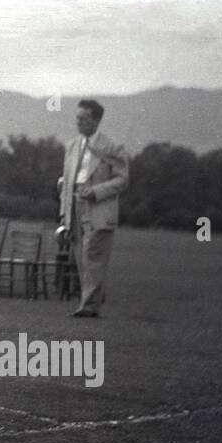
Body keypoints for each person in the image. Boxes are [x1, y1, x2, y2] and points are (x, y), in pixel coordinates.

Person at [59, 99, 130, 317]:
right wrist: (64, 213)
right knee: (82, 257)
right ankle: (94, 297)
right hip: (75, 208)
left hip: (98, 208)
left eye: (83, 118)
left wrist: (97, 191)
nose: (78, 122)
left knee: (93, 255)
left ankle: (89, 306)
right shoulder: (71, 146)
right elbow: (67, 181)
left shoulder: (112, 147)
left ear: (97, 120)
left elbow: (122, 180)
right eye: (77, 117)